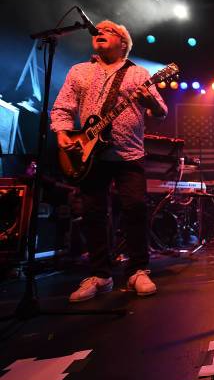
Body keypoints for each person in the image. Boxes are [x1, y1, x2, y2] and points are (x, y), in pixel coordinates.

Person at [51, 20, 168, 302]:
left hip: (129, 152)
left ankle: (138, 270)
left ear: (124, 43)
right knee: (93, 212)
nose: (100, 33)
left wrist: (148, 100)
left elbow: (161, 110)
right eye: (98, 31)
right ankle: (100, 275)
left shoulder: (139, 73)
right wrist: (63, 134)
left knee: (135, 208)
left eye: (109, 31)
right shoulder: (80, 71)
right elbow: (63, 107)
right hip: (89, 154)